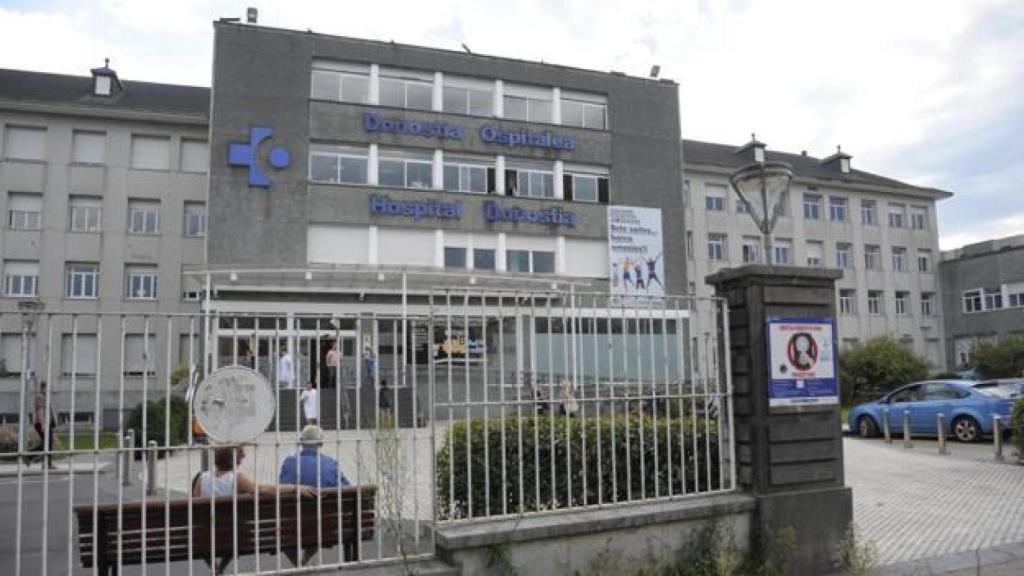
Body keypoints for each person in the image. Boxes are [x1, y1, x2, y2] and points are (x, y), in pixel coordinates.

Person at [192, 445, 314, 499]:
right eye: (241, 453)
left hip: (204, 532)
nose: (244, 455)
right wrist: (294, 488)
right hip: (231, 533)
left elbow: (195, 505)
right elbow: (263, 489)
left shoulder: (200, 478)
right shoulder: (236, 478)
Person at [279, 425, 351, 488]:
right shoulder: (331, 464)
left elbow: (281, 488)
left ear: (301, 441)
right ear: (321, 443)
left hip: (293, 503)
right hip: (326, 503)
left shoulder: (289, 462)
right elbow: (347, 488)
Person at [32, 380, 57, 469]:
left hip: (46, 423)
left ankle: (45, 463)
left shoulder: (44, 396)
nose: (50, 389)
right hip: (42, 423)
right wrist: (43, 424)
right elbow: (40, 410)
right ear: (44, 387)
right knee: (47, 443)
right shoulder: (40, 396)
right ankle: (46, 463)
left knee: (47, 443)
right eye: (49, 387)